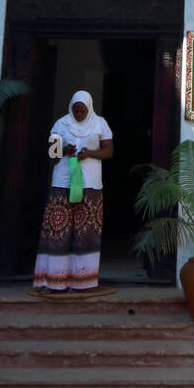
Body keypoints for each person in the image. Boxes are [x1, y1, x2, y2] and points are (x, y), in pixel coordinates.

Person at [31, 90, 113, 295]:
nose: (78, 113)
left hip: (90, 184)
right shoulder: (61, 124)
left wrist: (90, 154)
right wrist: (65, 149)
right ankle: (56, 280)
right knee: (59, 229)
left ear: (89, 108)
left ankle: (83, 281)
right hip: (63, 183)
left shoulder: (100, 123)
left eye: (82, 110)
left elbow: (109, 151)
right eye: (75, 110)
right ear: (71, 108)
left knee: (86, 231)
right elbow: (51, 152)